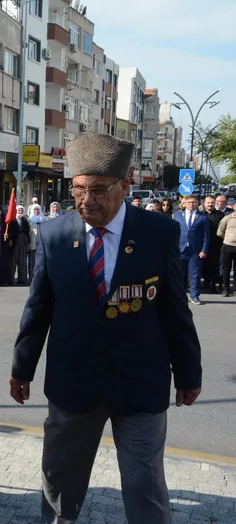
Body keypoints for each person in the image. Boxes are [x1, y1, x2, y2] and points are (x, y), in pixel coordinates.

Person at [10, 133, 202, 524]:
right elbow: (39, 308)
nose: (87, 201)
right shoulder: (55, 234)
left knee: (145, 487)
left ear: (124, 188)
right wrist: (22, 368)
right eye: (78, 190)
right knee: (60, 482)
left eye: (98, 190)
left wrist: (188, 373)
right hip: (73, 383)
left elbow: (174, 310)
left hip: (139, 384)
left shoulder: (157, 233)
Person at [172, 195, 209, 305]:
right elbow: (172, 234)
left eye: (193, 202)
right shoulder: (176, 215)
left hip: (195, 251)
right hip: (180, 250)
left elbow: (206, 236)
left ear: (197, 203)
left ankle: (195, 296)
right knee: (178, 274)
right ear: (184, 203)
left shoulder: (203, 217)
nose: (191, 204)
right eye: (189, 202)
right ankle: (177, 296)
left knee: (195, 274)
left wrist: (204, 250)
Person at [202, 195, 225, 293]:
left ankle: (214, 284)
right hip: (202, 244)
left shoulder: (220, 215)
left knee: (215, 265)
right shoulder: (200, 215)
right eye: (208, 202)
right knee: (204, 265)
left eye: (212, 202)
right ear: (204, 204)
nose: (210, 204)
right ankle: (205, 282)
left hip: (216, 244)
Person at [217, 209, 236, 297]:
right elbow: (220, 232)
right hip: (227, 246)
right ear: (234, 207)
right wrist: (228, 238)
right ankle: (226, 289)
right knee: (226, 270)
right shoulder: (227, 218)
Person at [12, 205, 30, 285]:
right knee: (13, 261)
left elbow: (28, 233)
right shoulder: (12, 220)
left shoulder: (25, 221)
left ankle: (22, 279)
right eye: (19, 210)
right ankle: (11, 278)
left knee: (22, 261)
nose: (20, 212)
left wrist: (28, 243)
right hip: (14, 243)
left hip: (23, 243)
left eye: (21, 210)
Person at [27, 205, 45, 282]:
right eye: (35, 210)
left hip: (42, 245)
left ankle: (40, 278)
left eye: (38, 210)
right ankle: (32, 278)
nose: (36, 211)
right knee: (32, 262)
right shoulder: (29, 220)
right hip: (33, 244)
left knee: (41, 263)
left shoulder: (44, 220)